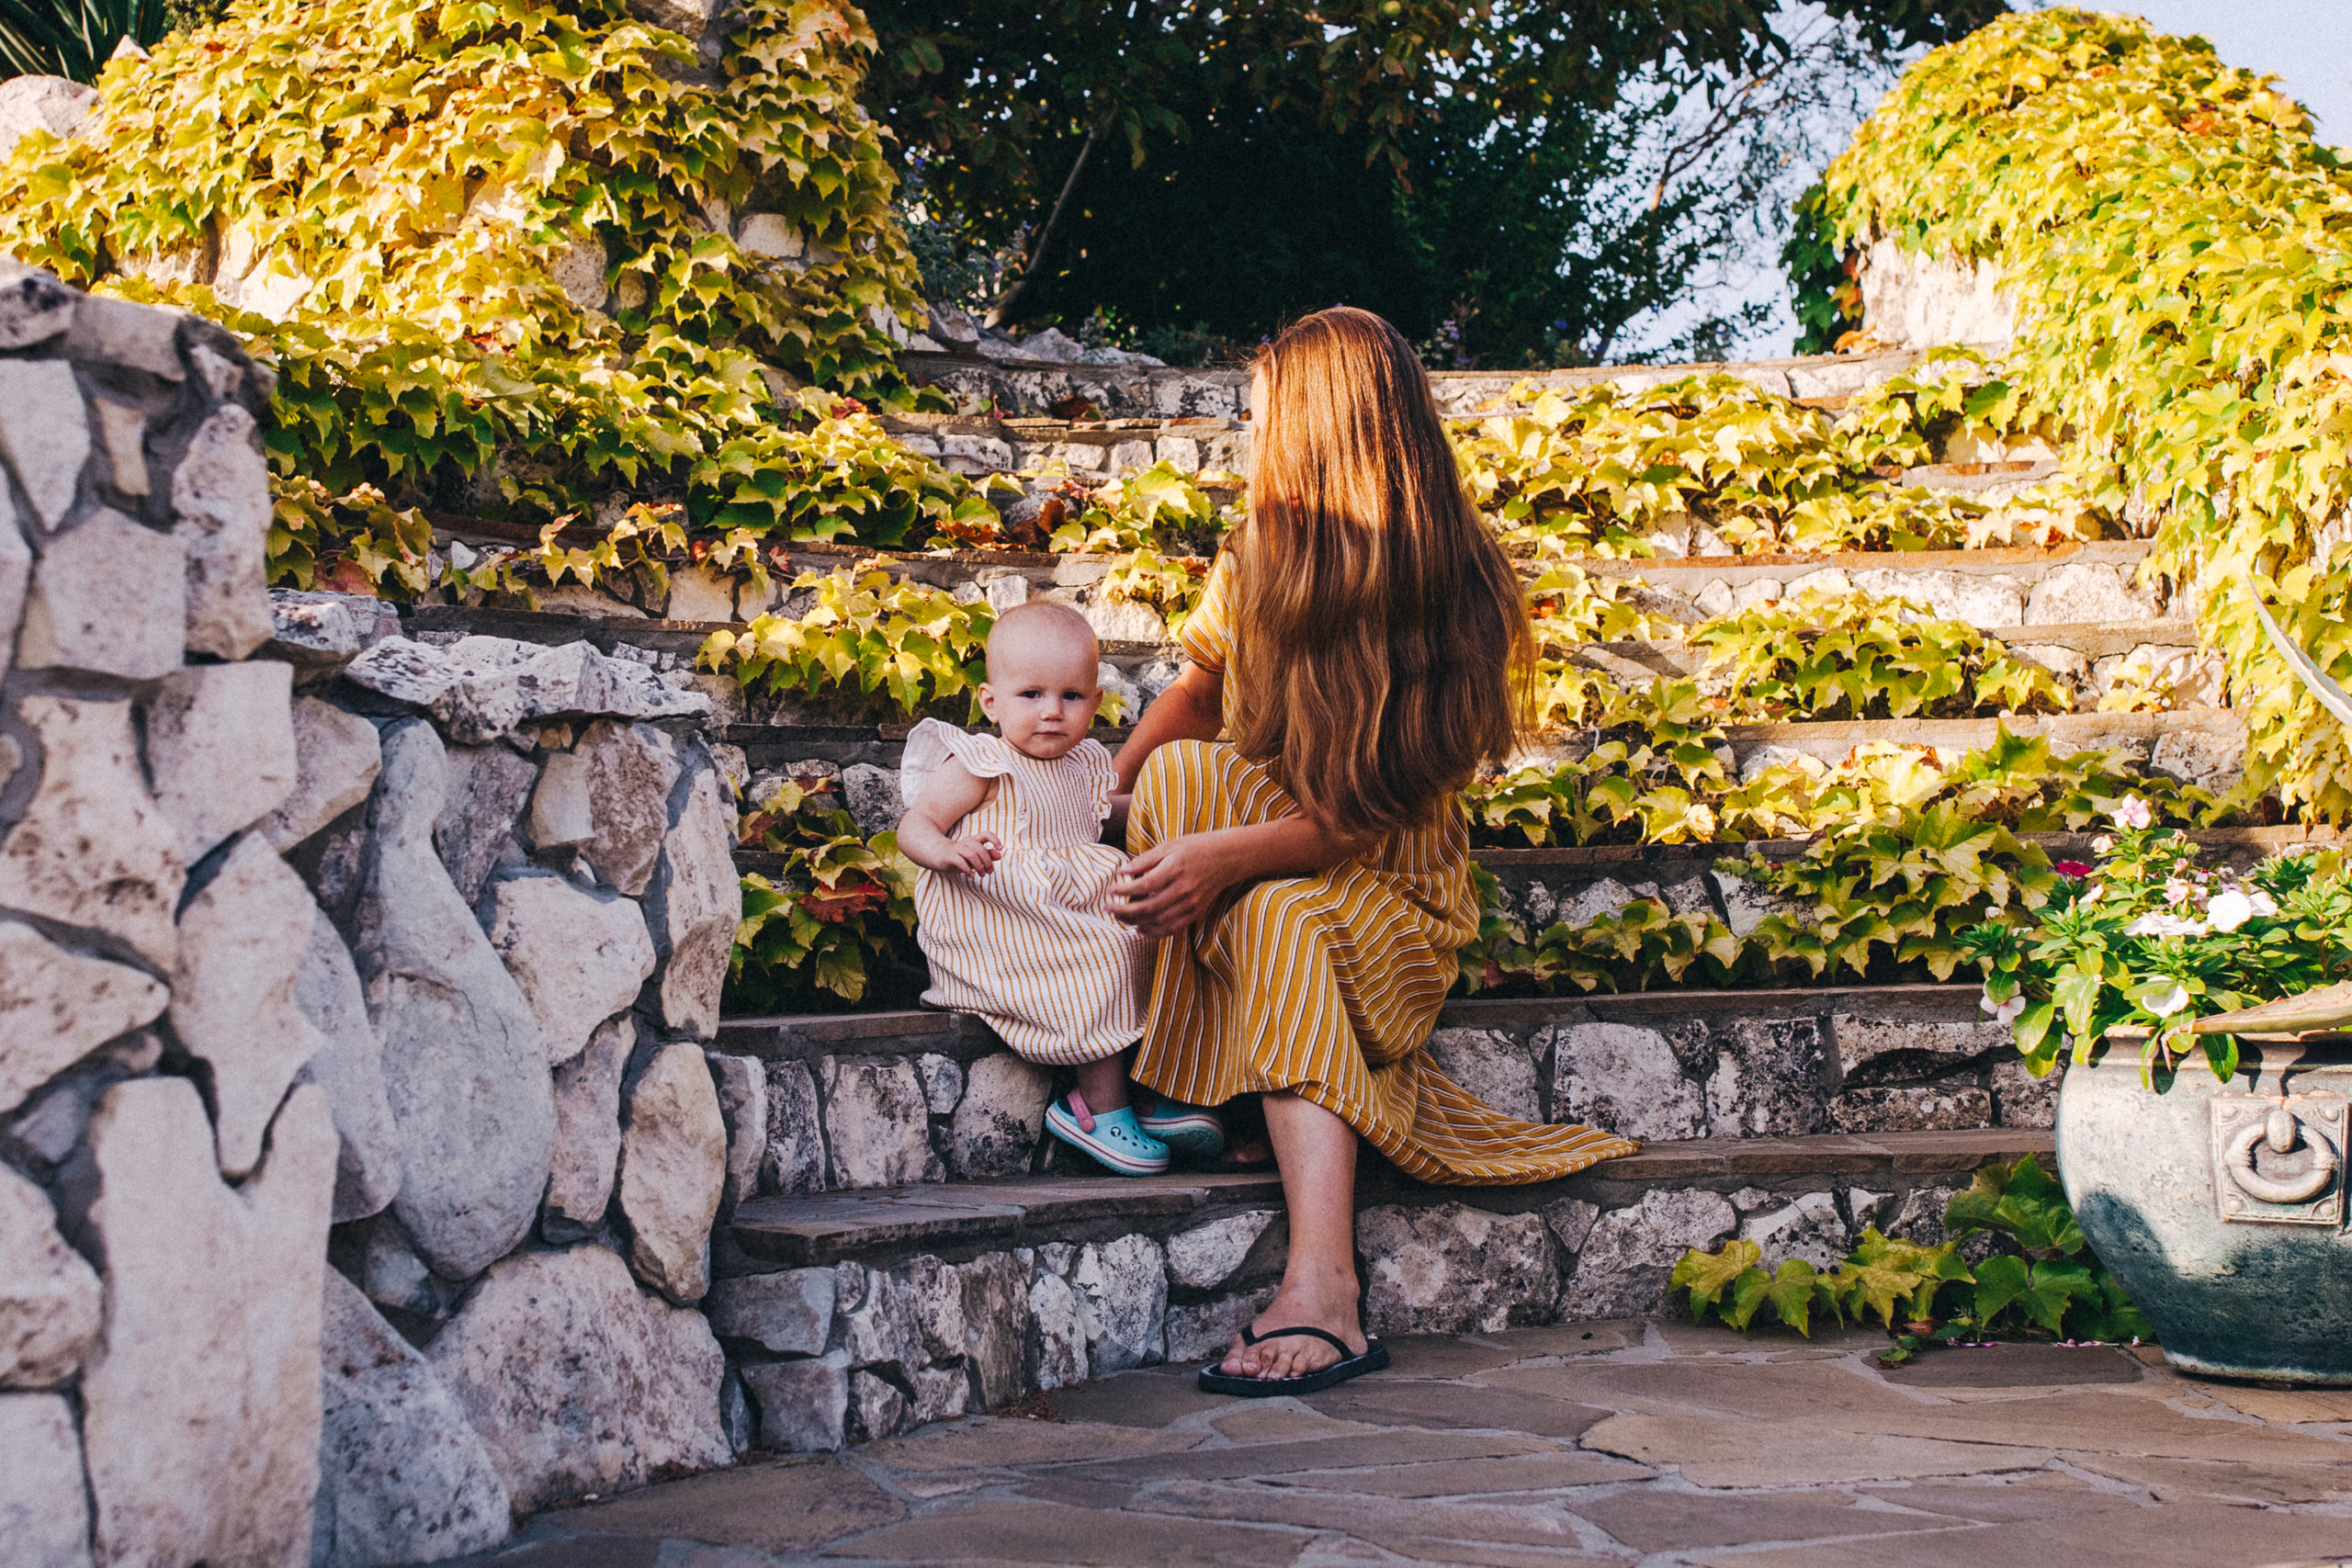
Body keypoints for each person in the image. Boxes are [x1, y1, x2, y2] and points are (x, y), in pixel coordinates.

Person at [1107, 307, 1639, 1394]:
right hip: (1285, 852)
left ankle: (1325, 1289)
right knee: (1173, 777)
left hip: (1392, 907)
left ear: (1317, 431)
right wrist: (1099, 788)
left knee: (1272, 908)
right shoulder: (1259, 556)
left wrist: (1221, 863)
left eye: (1265, 417)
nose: (1252, 437)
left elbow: (1376, 809)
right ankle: (1224, 1095)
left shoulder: (1458, 588)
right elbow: (1200, 694)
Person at [897, 601, 1216, 1174]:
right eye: (1031, 696)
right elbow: (915, 825)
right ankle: (1094, 1107)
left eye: (1071, 697)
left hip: (1062, 903)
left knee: (1153, 933)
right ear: (991, 701)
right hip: (995, 916)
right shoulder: (980, 762)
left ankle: (1150, 1086)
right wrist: (946, 851)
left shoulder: (1085, 763)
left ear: (1095, 703)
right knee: (1102, 951)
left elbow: (1104, 818)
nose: (1052, 713)